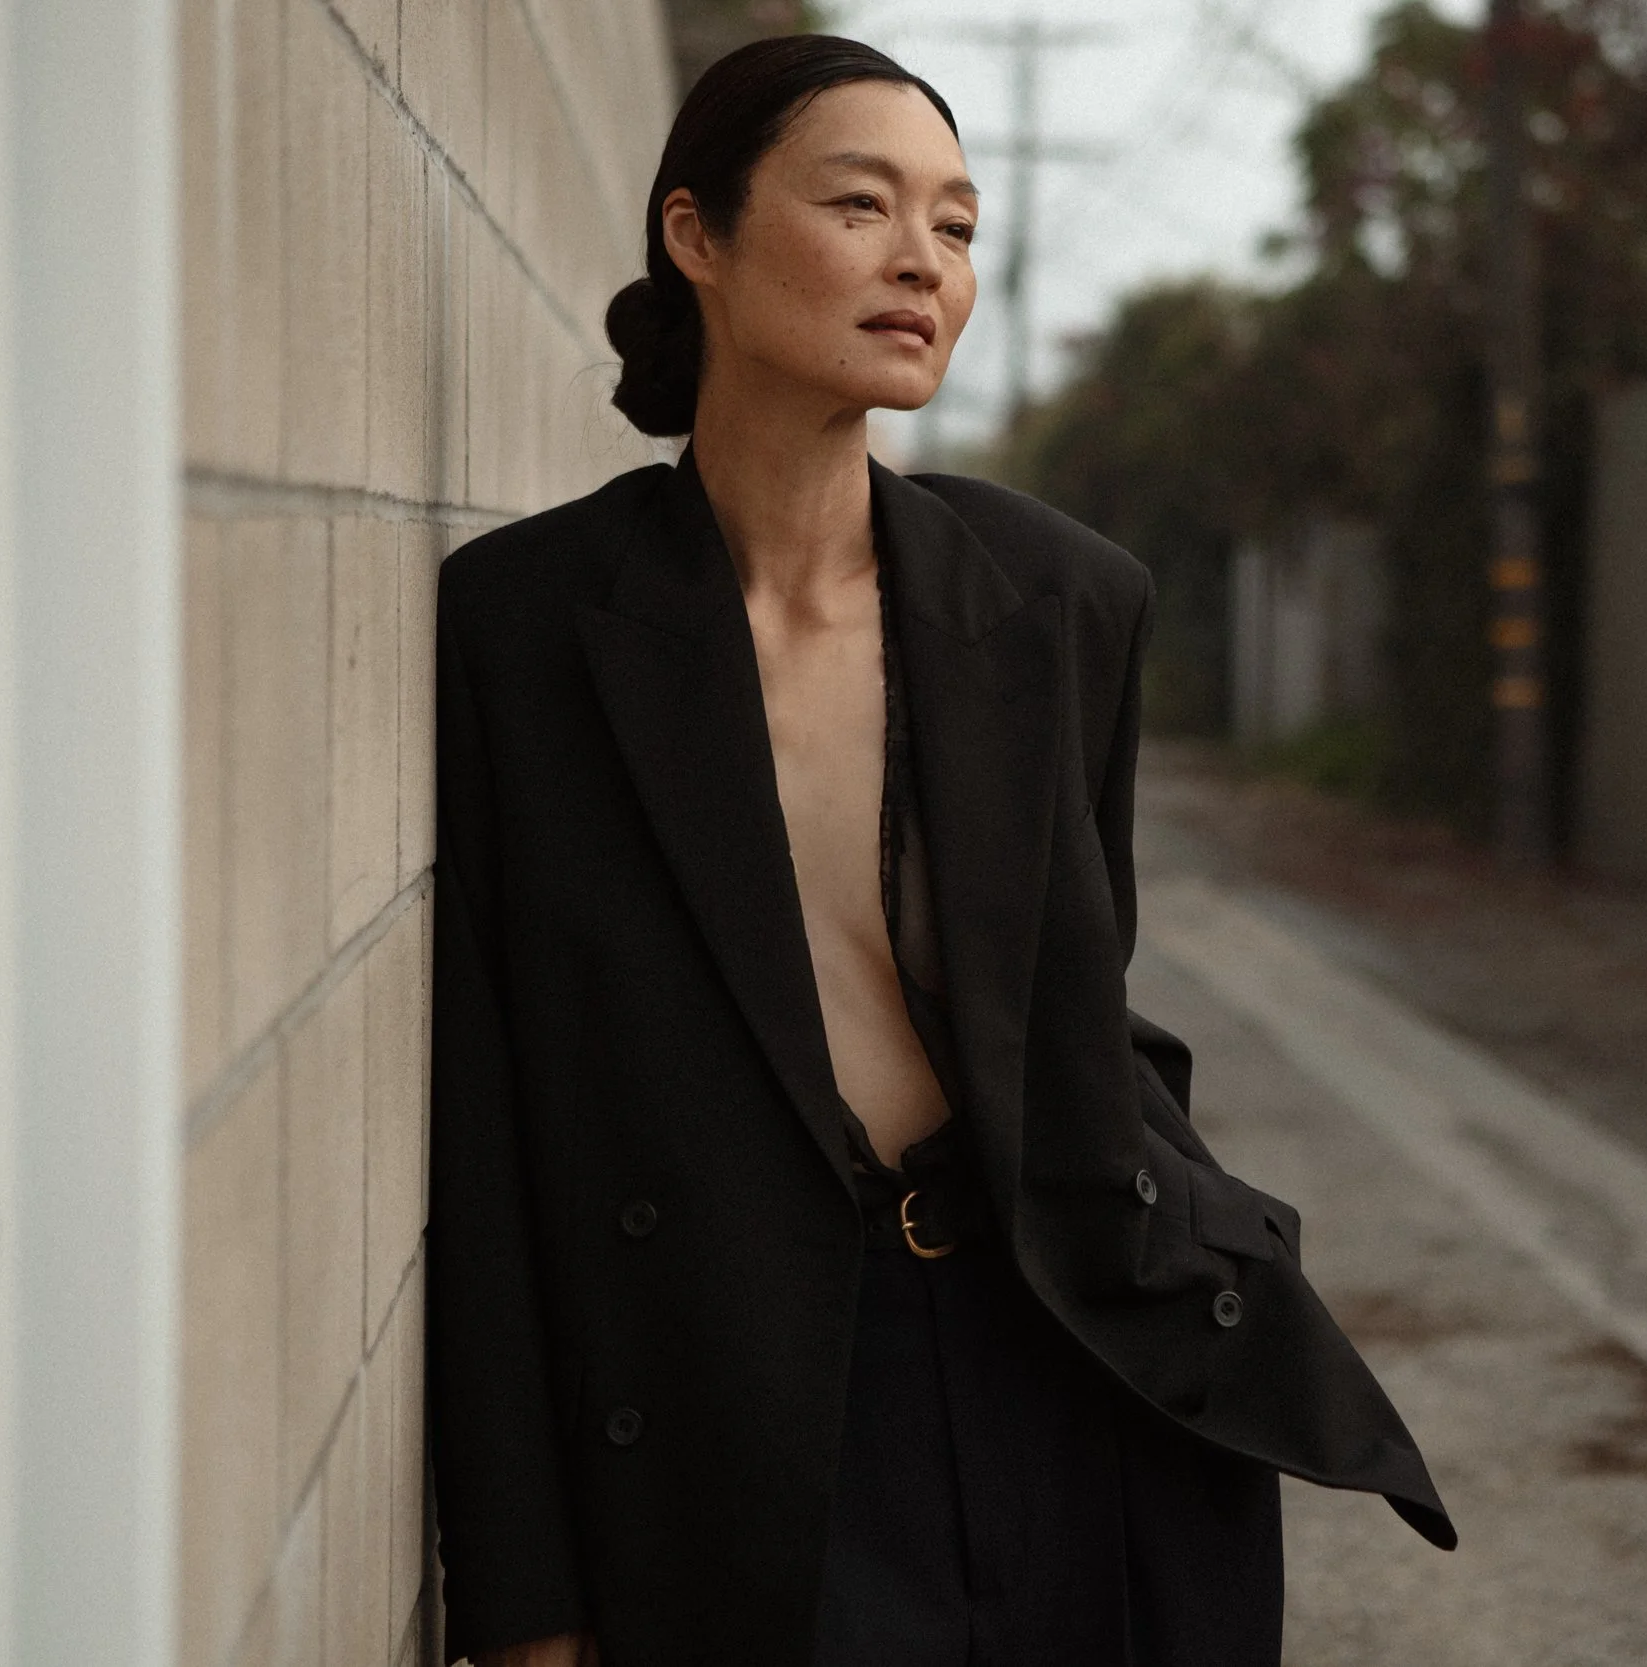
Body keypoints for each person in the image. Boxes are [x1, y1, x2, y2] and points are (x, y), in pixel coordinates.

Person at [427, 35, 1452, 1667]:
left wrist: (1207, 1234)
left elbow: (1077, 1001)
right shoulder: (529, 629)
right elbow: (488, 1137)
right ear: (695, 231)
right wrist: (526, 1604)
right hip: (747, 1398)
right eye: (863, 205)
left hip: (1071, 1360)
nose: (925, 261)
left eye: (960, 226)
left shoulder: (1058, 598)